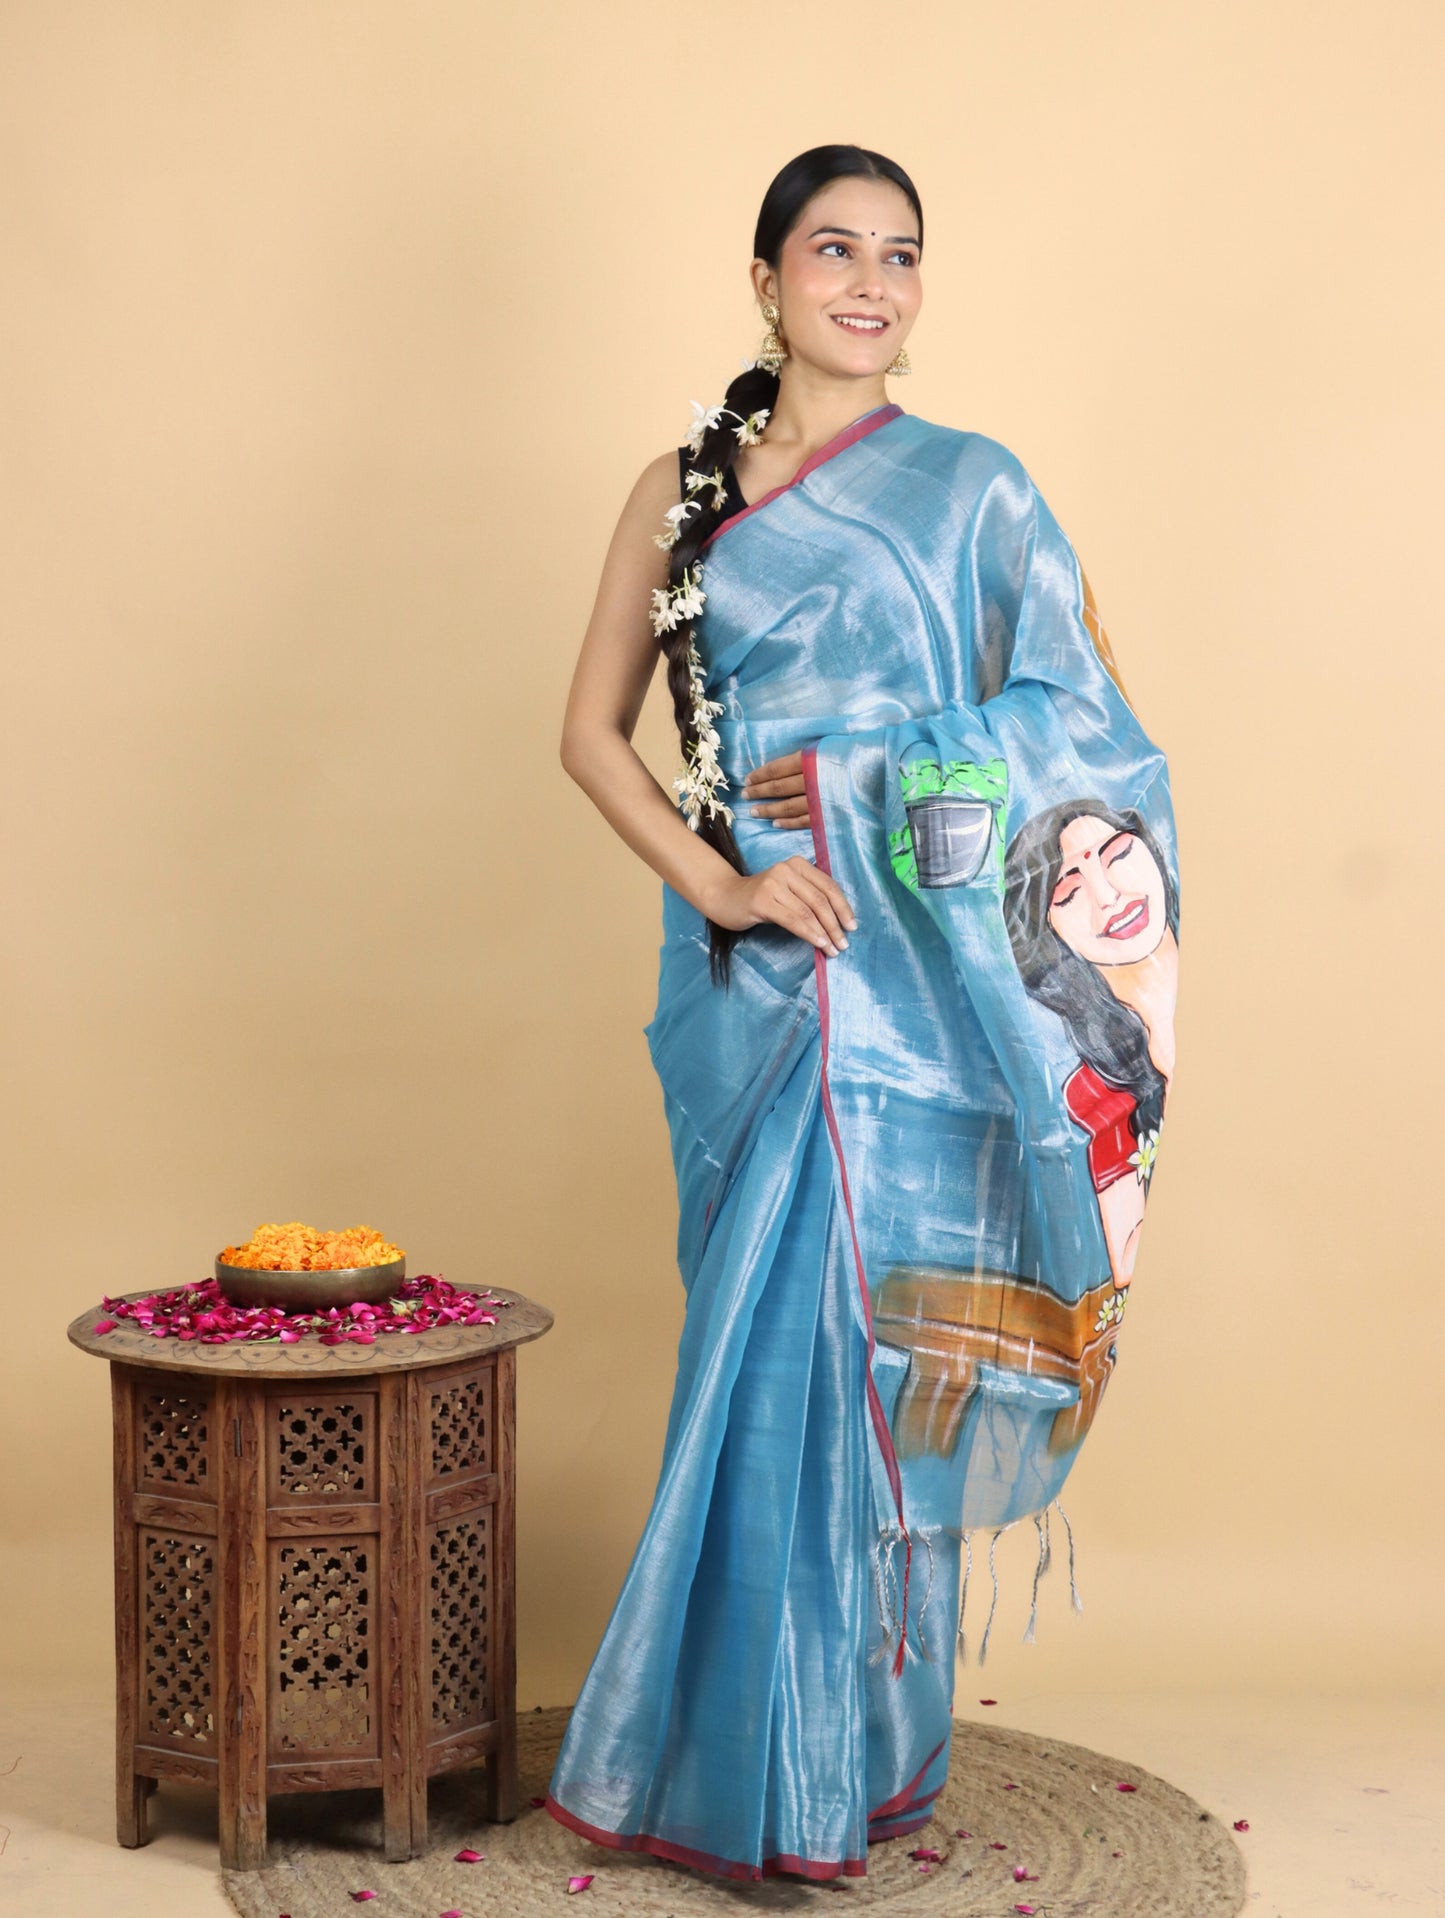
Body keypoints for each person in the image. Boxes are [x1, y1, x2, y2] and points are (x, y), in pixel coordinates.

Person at [545, 142, 1181, 1883]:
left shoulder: (976, 489)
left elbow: (1088, 732)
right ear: (765, 279)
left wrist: (876, 773)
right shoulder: (680, 491)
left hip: (923, 978)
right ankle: (733, 1759)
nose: (870, 284)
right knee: (757, 1356)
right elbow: (592, 734)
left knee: (875, 1350)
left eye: (900, 255)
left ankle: (847, 1765)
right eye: (834, 250)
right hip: (760, 983)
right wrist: (724, 883)